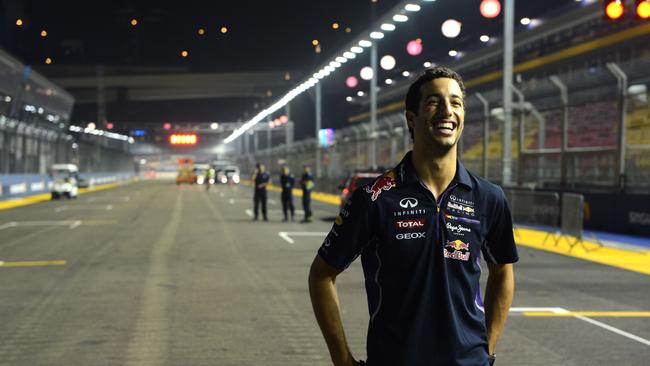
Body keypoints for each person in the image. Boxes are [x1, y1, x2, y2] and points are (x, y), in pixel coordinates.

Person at [308, 67, 518, 366]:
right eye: (434, 101)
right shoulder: (374, 198)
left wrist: (487, 349)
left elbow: (503, 271)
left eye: (456, 102)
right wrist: (342, 359)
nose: (447, 110)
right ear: (411, 118)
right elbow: (321, 275)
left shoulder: (488, 197)